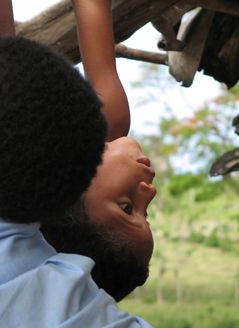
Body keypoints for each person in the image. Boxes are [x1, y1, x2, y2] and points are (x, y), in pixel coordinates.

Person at [42, 0, 158, 302]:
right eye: (148, 213)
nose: (149, 192)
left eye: (127, 208)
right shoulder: (109, 120)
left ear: (65, 196)